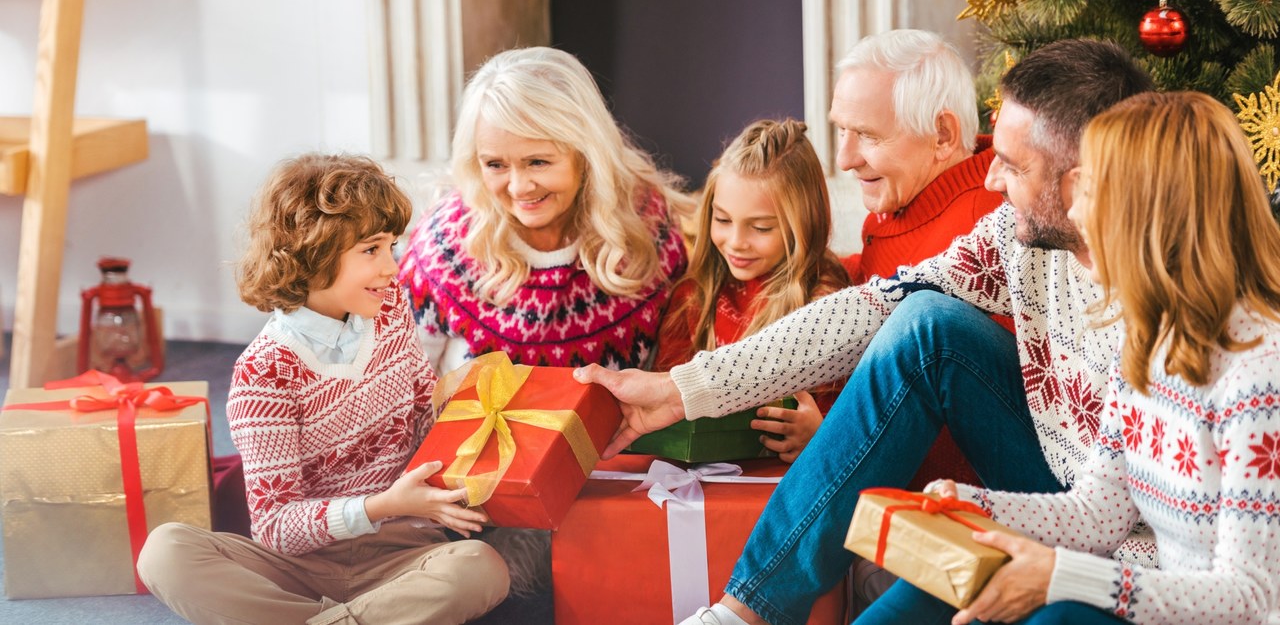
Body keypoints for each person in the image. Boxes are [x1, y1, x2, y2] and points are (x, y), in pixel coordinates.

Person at [574, 38, 1157, 625]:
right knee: (926, 320)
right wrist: (680, 390)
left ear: (1081, 182)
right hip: (1054, 491)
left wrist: (1019, 543)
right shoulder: (1015, 234)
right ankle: (741, 613)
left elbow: (1130, 524)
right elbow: (875, 308)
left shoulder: (1170, 307)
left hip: (1129, 554)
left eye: (1014, 164)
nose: (993, 181)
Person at [877, 91, 1280, 625]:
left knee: (1060, 613)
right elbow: (1098, 514)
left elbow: (1251, 599)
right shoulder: (1146, 337)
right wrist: (974, 508)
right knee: (943, 580)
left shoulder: (1259, 375)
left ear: (1151, 213)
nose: (1074, 210)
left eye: (1090, 190)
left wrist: (1060, 576)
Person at [137, 153, 509, 625]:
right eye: (371, 250)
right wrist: (382, 505)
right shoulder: (263, 374)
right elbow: (274, 528)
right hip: (297, 567)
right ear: (312, 254)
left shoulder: (389, 308)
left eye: (391, 247)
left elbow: (422, 414)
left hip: (402, 555)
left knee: (480, 568)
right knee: (165, 551)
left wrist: (469, 415)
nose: (392, 269)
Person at [397, 46, 689, 375]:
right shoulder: (443, 244)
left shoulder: (647, 224)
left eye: (538, 161)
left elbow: (671, 370)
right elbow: (408, 391)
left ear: (586, 153)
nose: (519, 187)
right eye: (495, 164)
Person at [829, 28, 1006, 491]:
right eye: (841, 129)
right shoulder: (898, 206)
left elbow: (982, 422)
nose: (844, 158)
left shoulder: (988, 225)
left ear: (942, 135)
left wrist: (831, 437)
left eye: (866, 135)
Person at [654, 118, 850, 462]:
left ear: (804, 223)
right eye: (723, 220)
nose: (736, 243)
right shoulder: (694, 295)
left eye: (760, 227)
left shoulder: (827, 303)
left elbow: (854, 422)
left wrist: (819, 433)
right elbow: (662, 393)